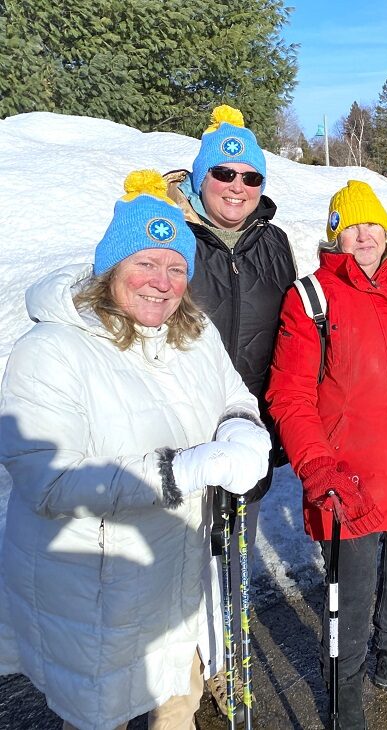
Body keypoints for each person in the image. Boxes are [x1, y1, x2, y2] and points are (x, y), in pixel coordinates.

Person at [0, 171, 272, 730]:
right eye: (145, 262)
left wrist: (242, 429)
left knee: (178, 705)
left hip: (178, 580)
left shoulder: (194, 332)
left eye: (176, 268)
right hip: (98, 597)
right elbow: (48, 482)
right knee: (104, 716)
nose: (161, 283)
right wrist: (180, 471)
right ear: (112, 268)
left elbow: (233, 395)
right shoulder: (51, 349)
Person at [267, 180, 387, 728]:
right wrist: (317, 466)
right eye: (351, 227)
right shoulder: (311, 298)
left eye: (372, 223)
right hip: (350, 476)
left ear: (386, 230)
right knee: (349, 596)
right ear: (335, 236)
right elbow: (289, 394)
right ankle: (343, 682)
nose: (364, 235)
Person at [166, 104, 296, 716]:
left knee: (230, 556)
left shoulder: (274, 243)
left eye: (251, 177)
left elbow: (293, 332)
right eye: (224, 173)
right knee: (178, 558)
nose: (238, 187)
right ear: (201, 177)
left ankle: (222, 664)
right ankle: (174, 681)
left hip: (248, 430)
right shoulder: (170, 233)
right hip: (180, 429)